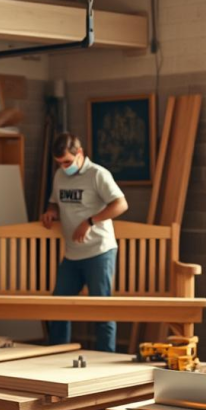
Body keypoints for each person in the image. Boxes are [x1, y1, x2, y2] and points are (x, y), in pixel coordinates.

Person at [41, 132, 128, 352]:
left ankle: (105, 360)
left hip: (99, 251)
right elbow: (54, 202)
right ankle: (56, 354)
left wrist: (90, 221)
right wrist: (50, 212)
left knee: (102, 310)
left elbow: (120, 204)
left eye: (67, 162)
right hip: (72, 254)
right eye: (59, 163)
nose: (63, 167)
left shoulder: (98, 174)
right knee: (59, 306)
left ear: (79, 153)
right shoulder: (60, 176)